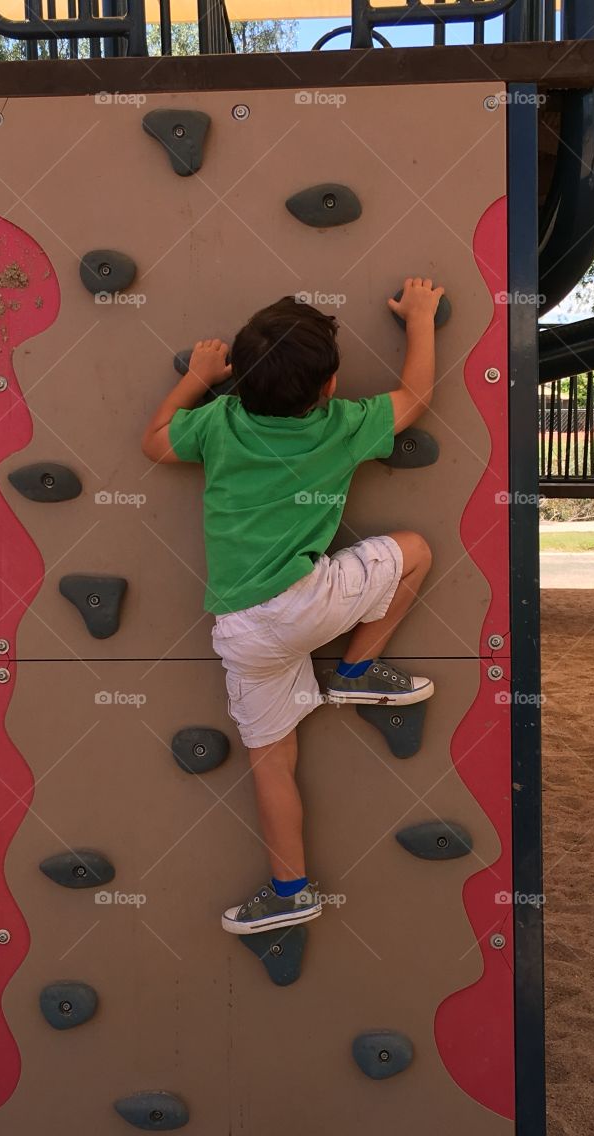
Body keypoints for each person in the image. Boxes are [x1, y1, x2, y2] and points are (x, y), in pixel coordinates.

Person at [142, 278, 444, 934]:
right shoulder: (342, 426)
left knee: (271, 762)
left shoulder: (218, 422)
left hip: (243, 631)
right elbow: (417, 397)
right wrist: (420, 319)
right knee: (414, 550)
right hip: (308, 606)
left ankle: (290, 891)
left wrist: (196, 378)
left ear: (240, 382)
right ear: (329, 387)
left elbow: (157, 442)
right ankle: (360, 670)